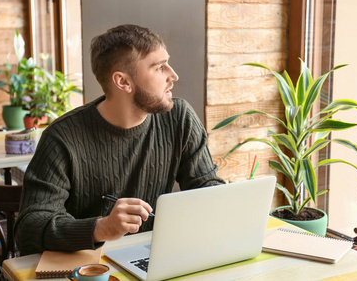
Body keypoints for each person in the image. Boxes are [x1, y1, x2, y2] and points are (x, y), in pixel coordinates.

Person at [14, 24, 225, 255]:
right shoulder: (62, 138)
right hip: (87, 266)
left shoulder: (179, 118)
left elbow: (206, 186)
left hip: (152, 256)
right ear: (123, 82)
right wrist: (100, 228)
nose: (173, 76)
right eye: (159, 68)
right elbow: (29, 228)